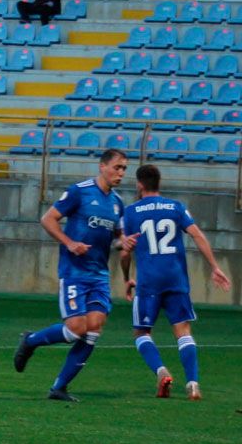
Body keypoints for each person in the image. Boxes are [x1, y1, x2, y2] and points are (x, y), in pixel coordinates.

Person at [13, 149, 128, 402]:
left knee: (94, 328)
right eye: (117, 167)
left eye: (124, 169)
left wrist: (125, 243)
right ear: (102, 166)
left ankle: (59, 387)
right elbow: (48, 219)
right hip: (75, 272)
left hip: (99, 275)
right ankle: (30, 341)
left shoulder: (118, 203)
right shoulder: (80, 191)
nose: (121, 173)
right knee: (76, 329)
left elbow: (119, 238)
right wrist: (69, 242)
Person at [119, 164, 232, 401]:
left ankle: (162, 372)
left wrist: (126, 277)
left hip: (149, 281)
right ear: (159, 183)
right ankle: (193, 384)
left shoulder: (131, 212)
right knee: (183, 332)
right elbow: (198, 235)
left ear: (140, 184)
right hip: (176, 279)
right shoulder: (176, 207)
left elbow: (126, 251)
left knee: (141, 332)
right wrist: (214, 267)